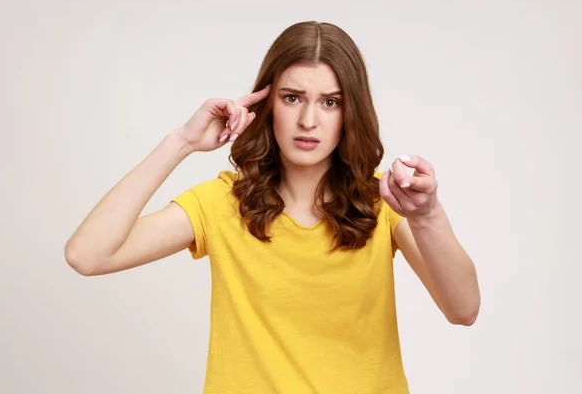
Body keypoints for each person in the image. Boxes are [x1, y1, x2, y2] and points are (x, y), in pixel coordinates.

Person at [65, 21, 480, 394]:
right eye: (293, 98)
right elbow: (87, 255)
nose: (308, 121)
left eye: (330, 102)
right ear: (267, 103)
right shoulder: (223, 203)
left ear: (351, 111)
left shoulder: (383, 204)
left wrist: (427, 215)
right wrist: (182, 143)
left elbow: (463, 309)